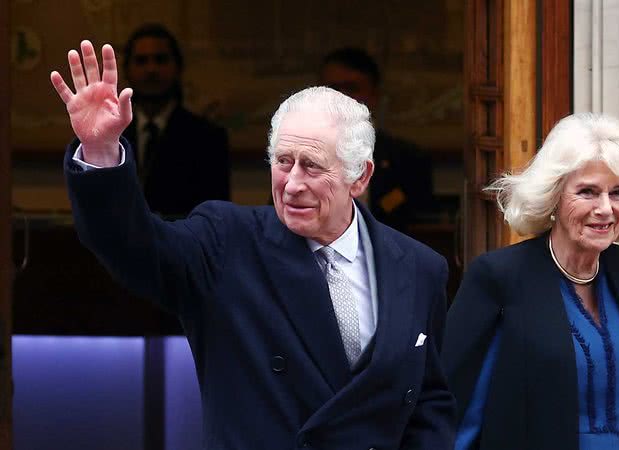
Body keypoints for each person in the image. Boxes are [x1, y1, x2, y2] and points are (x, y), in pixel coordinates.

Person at [50, 40, 455, 449]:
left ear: (360, 176)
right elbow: (134, 248)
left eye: (312, 166)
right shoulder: (226, 242)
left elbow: (427, 401)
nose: (293, 184)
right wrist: (101, 153)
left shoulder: (419, 268)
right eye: (283, 162)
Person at [442, 113, 619, 450]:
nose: (605, 209)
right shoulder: (500, 277)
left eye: (617, 193)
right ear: (554, 195)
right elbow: (460, 407)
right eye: (588, 192)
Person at [320, 47, 434, 233]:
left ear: (373, 96)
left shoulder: (409, 159)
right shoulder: (298, 155)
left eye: (351, 88)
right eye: (332, 89)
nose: (340, 97)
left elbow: (422, 228)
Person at [122, 24, 230, 217]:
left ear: (178, 68)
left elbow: (215, 217)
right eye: (141, 61)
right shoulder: (113, 136)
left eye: (160, 60)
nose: (151, 69)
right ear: (127, 70)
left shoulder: (207, 138)